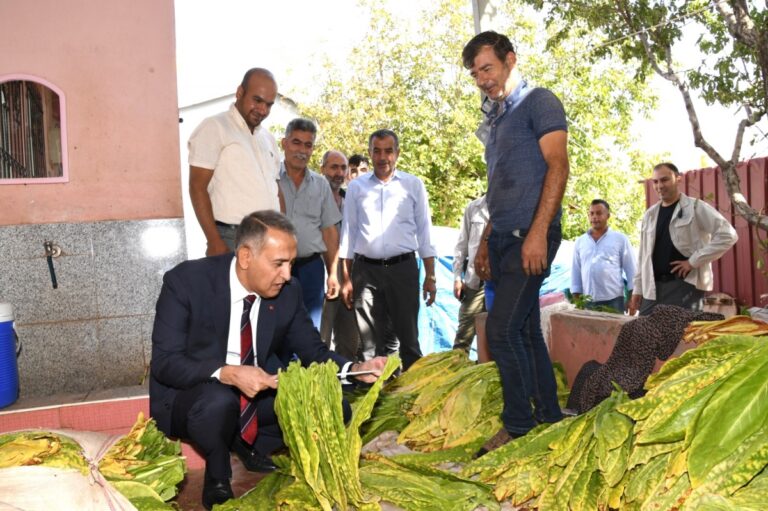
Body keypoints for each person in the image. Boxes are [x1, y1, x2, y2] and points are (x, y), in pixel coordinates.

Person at [149, 210, 386, 510]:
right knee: (219, 402)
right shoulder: (186, 282)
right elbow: (166, 363)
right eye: (278, 264)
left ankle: (248, 444)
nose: (287, 275)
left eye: (291, 263)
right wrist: (228, 373)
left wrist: (355, 370)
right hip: (196, 393)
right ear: (246, 256)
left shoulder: (288, 292)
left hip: (255, 388)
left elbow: (314, 351)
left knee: (331, 403)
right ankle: (218, 476)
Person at [463, 31, 570, 449]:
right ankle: (548, 415)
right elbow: (497, 189)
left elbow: (558, 166)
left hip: (533, 234)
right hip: (505, 236)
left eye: (487, 68)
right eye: (475, 74)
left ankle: (518, 426)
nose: (482, 79)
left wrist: (539, 233)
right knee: (523, 331)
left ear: (510, 59)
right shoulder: (498, 119)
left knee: (502, 330)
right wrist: (486, 239)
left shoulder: (539, 101)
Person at [339, 129, 437, 371]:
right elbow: (348, 234)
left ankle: (413, 396)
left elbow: (425, 231)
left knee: (408, 340)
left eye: (388, 151)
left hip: (403, 270)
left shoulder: (413, 185)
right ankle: (372, 399)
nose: (383, 157)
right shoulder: (356, 188)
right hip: (365, 272)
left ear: (397, 154)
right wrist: (345, 278)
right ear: (370, 153)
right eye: (377, 151)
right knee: (369, 344)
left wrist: (431, 276)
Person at [188, 68, 282, 256]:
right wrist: (214, 241)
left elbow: (276, 189)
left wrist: (283, 232)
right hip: (232, 237)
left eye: (269, 105)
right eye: (257, 100)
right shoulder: (214, 127)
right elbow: (197, 186)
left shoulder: (268, 138)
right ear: (239, 92)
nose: (263, 110)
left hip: (269, 238)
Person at [627, 162, 738, 316]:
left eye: (664, 180)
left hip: (684, 287)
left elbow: (728, 235)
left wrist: (693, 261)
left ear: (678, 179)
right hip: (651, 288)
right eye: (655, 181)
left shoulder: (695, 207)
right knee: (645, 336)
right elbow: (643, 256)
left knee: (680, 337)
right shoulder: (650, 215)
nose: (659, 185)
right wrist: (638, 289)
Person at [278, 119, 342, 329]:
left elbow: (329, 231)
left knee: (308, 330)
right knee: (277, 329)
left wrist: (333, 273)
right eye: (296, 142)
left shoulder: (321, 184)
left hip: (311, 269)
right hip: (275, 268)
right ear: (284, 143)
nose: (302, 150)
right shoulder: (269, 178)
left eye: (308, 145)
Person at [318, 150, 362, 359]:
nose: (339, 172)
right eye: (333, 167)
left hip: (348, 274)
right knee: (320, 335)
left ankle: (346, 385)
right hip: (321, 272)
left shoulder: (350, 199)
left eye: (343, 168)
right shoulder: (313, 196)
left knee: (349, 339)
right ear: (322, 169)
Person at [571, 199, 636, 312]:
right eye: (591, 213)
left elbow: (632, 271)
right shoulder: (580, 242)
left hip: (614, 301)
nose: (595, 217)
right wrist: (577, 301)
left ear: (608, 216)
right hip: (587, 302)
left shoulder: (620, 239)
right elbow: (576, 273)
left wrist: (632, 299)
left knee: (616, 330)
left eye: (599, 213)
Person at [452, 194, 491, 362]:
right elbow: (462, 245)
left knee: (495, 337)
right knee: (463, 336)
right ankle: (454, 375)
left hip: (500, 285)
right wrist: (457, 277)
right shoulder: (474, 207)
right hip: (475, 283)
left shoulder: (512, 207)